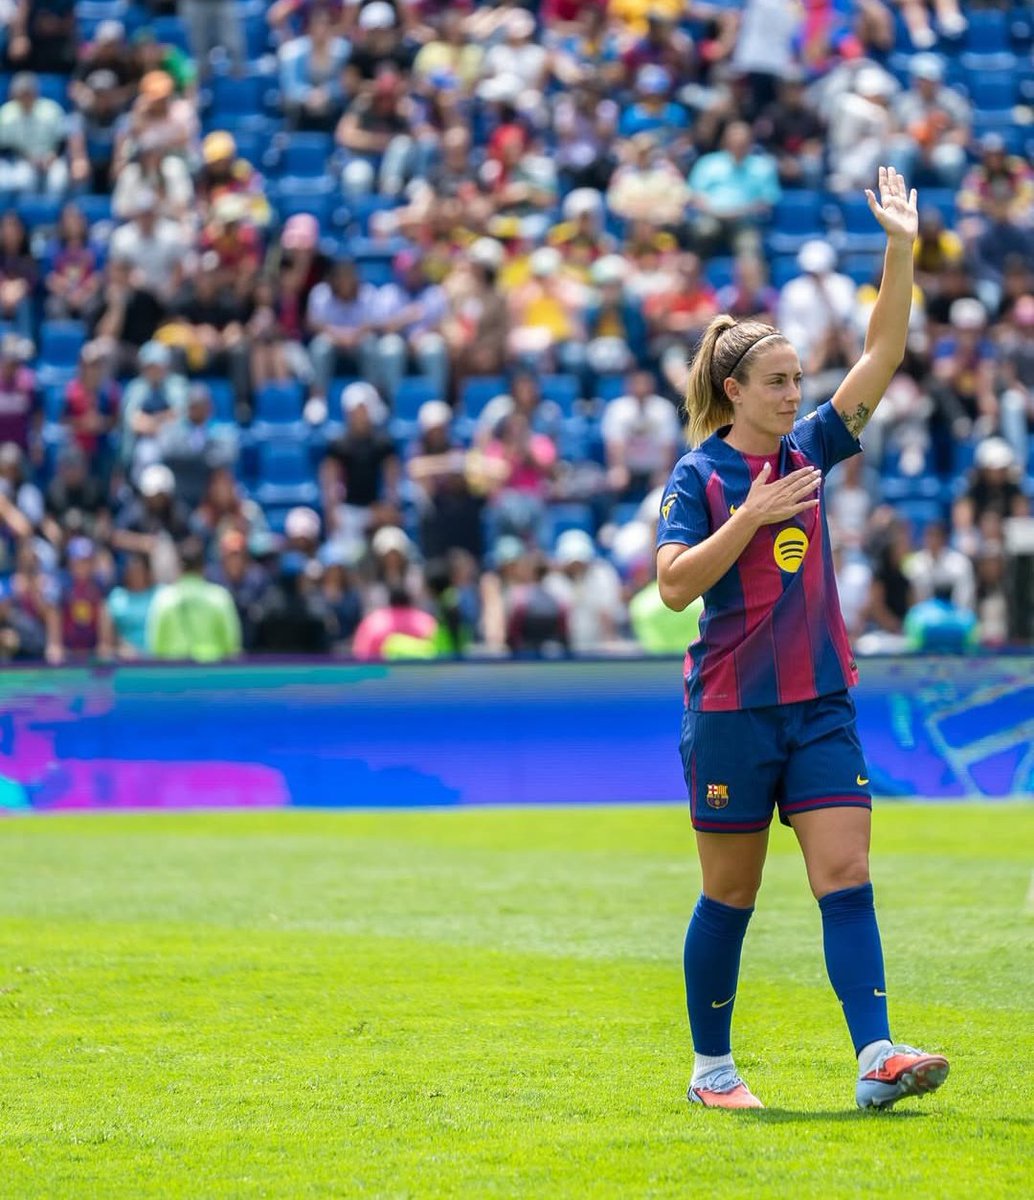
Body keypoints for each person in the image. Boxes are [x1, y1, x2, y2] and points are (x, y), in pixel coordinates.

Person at [655, 167, 949, 1110]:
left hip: (820, 701)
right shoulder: (698, 475)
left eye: (798, 382)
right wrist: (747, 517)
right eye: (778, 383)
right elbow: (670, 587)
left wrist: (899, 249)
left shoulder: (811, 448)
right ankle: (712, 1073)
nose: (796, 395)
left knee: (846, 873)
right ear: (733, 389)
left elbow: (884, 351)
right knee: (730, 897)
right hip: (734, 708)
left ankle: (876, 1057)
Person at [147, 537, 242, 662]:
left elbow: (154, 647)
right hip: (212, 675)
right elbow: (232, 646)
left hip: (173, 675)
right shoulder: (220, 597)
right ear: (203, 568)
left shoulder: (163, 599)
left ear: (178, 568)